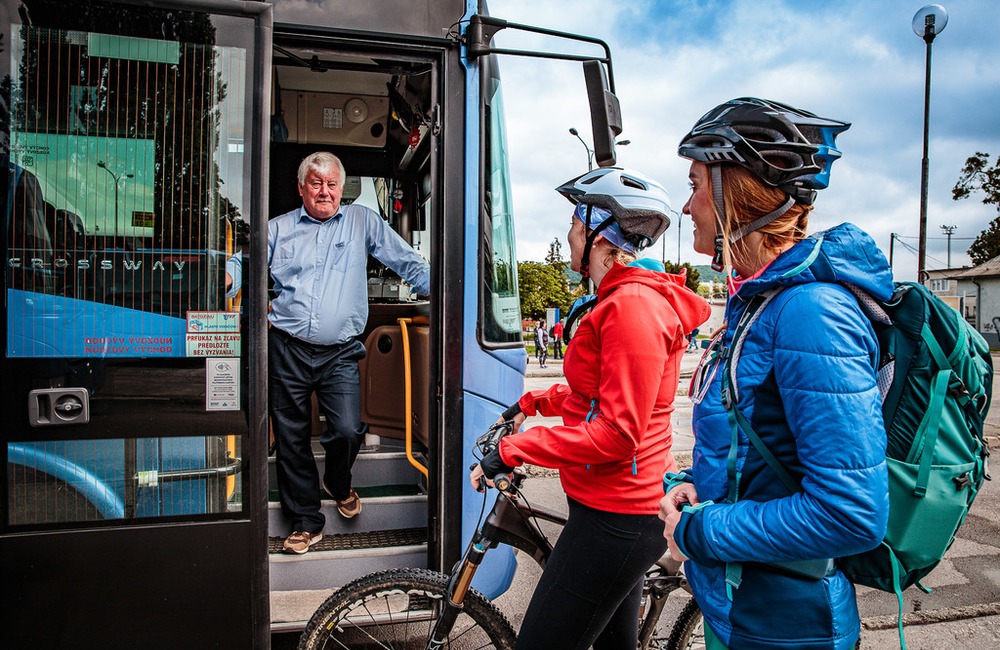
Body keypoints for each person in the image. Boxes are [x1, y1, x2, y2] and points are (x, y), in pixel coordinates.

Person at [659, 97, 891, 649]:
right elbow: (758, 449)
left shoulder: (810, 313)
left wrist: (698, 530)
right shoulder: (759, 303)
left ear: (733, 193)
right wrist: (698, 488)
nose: (687, 207)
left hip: (789, 629)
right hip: (738, 611)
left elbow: (850, 513)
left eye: (695, 184)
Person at [471, 167, 710, 650]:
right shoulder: (614, 300)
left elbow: (616, 433)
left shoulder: (632, 308)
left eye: (576, 225)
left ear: (599, 235)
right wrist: (529, 403)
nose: (570, 235)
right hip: (604, 505)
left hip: (619, 512)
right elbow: (591, 396)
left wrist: (517, 449)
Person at [269, 151, 430, 555]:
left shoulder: (362, 221)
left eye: (332, 184)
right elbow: (242, 261)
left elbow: (404, 259)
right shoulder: (278, 229)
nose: (325, 191)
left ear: (342, 188)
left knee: (345, 429)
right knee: (291, 437)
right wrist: (229, 275)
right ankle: (306, 521)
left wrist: (446, 289)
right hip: (287, 347)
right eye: (316, 183)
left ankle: (337, 483)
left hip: (340, 352)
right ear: (301, 187)